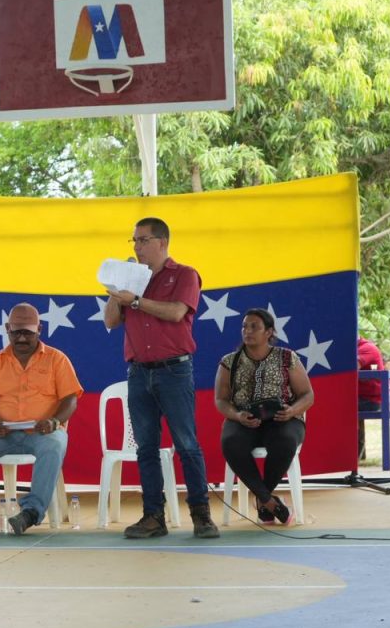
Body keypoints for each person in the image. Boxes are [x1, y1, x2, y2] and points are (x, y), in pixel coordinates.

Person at [104, 217, 219, 539]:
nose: (137, 247)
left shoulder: (184, 275)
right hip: (139, 372)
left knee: (186, 443)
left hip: (174, 370)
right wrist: (116, 293)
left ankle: (201, 514)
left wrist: (137, 301)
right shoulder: (130, 279)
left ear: (162, 242)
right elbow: (112, 322)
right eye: (134, 241)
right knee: (146, 447)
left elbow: (176, 312)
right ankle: (153, 515)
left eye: (143, 240)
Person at [0, 303, 82, 536]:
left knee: (54, 445)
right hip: (3, 432)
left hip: (44, 430)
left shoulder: (57, 359)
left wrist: (53, 422)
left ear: (39, 329)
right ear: (7, 329)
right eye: (16, 332)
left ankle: (30, 513)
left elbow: (70, 400)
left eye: (27, 332)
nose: (21, 338)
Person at [215, 309, 314, 524]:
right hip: (243, 419)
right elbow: (221, 400)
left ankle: (263, 500)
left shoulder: (287, 357)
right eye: (244, 326)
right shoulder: (229, 361)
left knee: (285, 441)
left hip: (282, 418)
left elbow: (308, 395)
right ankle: (270, 503)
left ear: (269, 332)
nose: (247, 331)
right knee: (231, 443)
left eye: (254, 327)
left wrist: (292, 411)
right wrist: (237, 415)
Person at [357, 336, 385, 459]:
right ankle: (357, 453)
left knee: (337, 407)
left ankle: (351, 453)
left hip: (369, 400)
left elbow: (351, 367)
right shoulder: (358, 348)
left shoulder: (366, 348)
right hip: (360, 398)